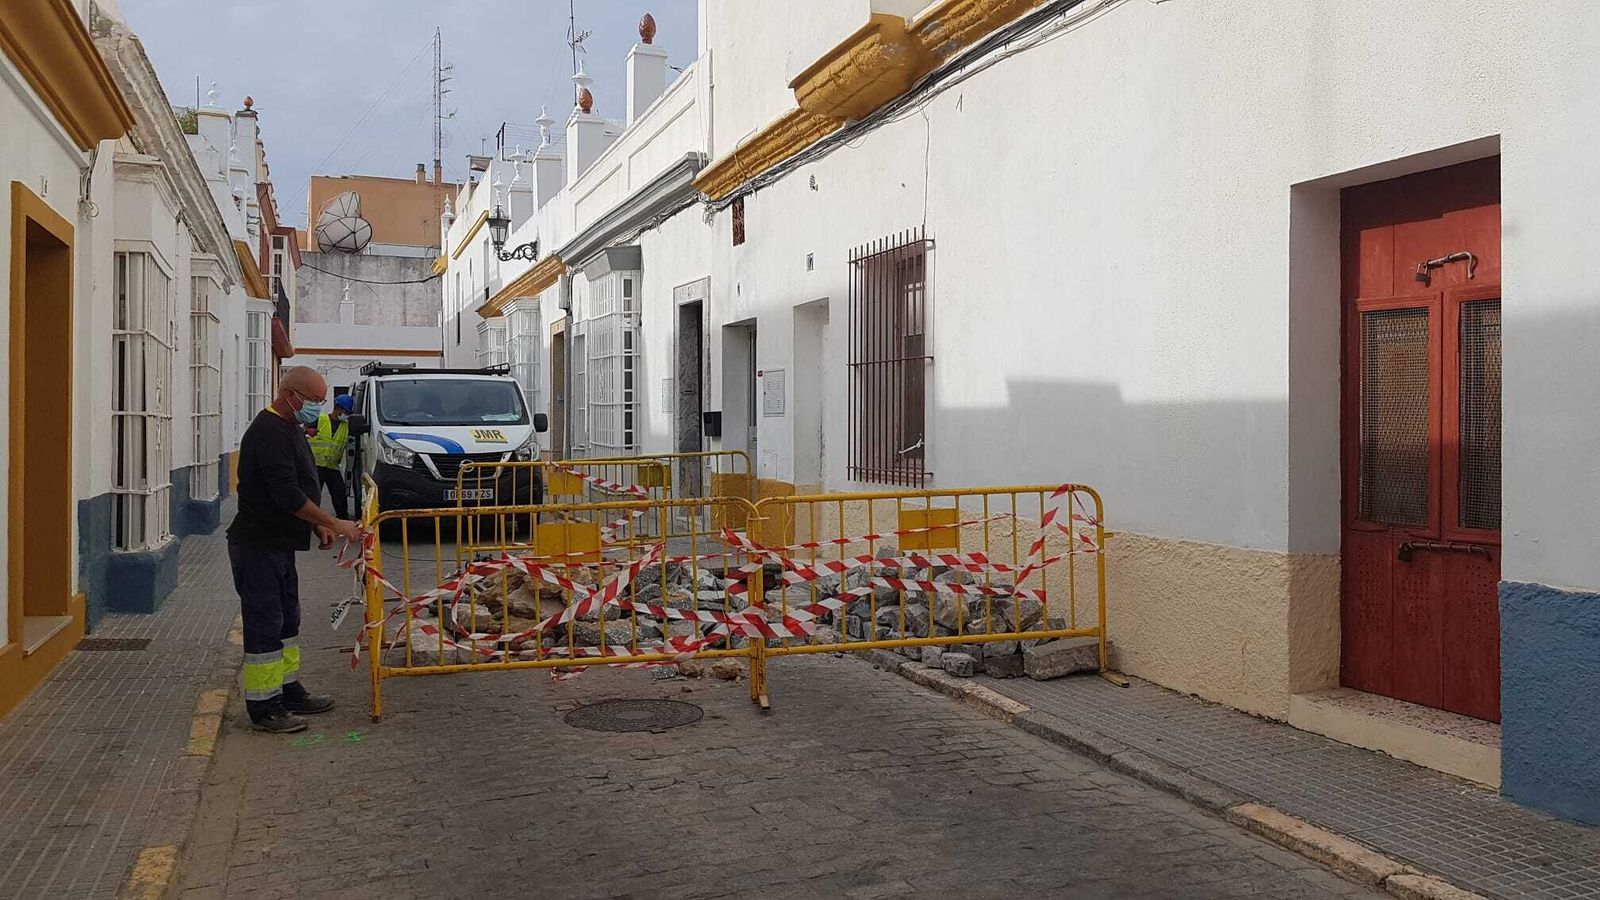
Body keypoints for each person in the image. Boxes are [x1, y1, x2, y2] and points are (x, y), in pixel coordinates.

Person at [228, 366, 363, 733]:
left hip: (279, 544)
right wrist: (335, 523)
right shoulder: (268, 430)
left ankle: (288, 690)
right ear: (291, 395)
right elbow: (286, 493)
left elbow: (300, 488)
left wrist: (316, 524)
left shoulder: (290, 427)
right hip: (258, 545)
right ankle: (264, 707)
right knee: (265, 623)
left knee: (288, 619)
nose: (318, 409)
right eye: (314, 401)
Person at [309, 394, 354, 519]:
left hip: (332, 467)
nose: (346, 415)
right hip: (316, 465)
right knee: (312, 494)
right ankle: (310, 519)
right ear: (338, 408)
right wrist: (308, 431)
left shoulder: (346, 426)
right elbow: (302, 432)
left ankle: (343, 519)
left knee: (339, 494)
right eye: (346, 411)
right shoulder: (321, 419)